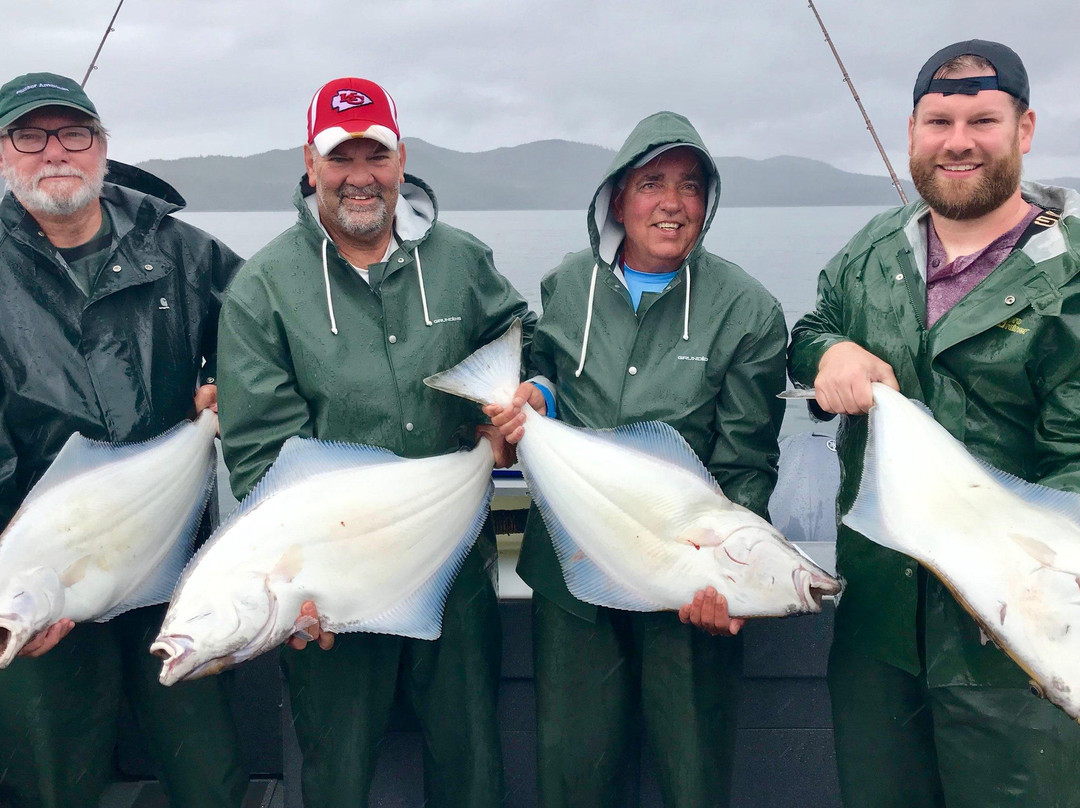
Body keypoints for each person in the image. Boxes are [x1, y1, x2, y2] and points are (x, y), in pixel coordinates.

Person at [216, 76, 535, 807]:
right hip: (337, 583)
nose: (360, 177)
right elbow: (263, 457)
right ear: (310, 162)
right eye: (340, 157)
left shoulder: (462, 260)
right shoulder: (261, 289)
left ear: (401, 157)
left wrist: (526, 400)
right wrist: (295, 585)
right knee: (336, 769)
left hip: (453, 562)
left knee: (471, 758)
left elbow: (523, 340)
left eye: (376, 155)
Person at [788, 40, 1080, 807]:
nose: (958, 140)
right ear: (912, 131)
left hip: (1015, 649)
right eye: (938, 120)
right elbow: (812, 326)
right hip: (878, 635)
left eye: (982, 119)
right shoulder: (875, 249)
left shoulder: (1071, 273)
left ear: (1025, 129)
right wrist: (832, 353)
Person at [486, 111, 787, 808]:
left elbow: (746, 464)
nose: (672, 204)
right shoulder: (566, 284)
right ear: (618, 198)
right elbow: (546, 370)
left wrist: (731, 579)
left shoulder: (748, 310)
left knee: (691, 770)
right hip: (571, 567)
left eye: (690, 186)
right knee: (574, 767)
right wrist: (536, 392)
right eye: (652, 183)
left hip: (683, 580)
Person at [0, 72, 246, 807]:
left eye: (74, 134)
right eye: (29, 136)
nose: (55, 153)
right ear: (3, 155)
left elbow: (259, 338)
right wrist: (16, 574)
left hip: (172, 554)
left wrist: (226, 384)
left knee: (206, 764)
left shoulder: (183, 250)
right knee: (52, 775)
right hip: (39, 561)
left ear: (103, 148)